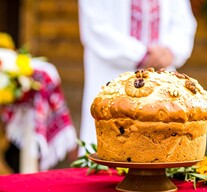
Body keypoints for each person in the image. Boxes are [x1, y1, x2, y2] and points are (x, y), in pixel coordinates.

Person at [78, 0, 197, 150]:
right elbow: (95, 26)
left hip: (161, 76)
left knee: (161, 149)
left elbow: (183, 23)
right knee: (107, 148)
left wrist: (170, 51)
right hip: (111, 74)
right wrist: (141, 54)